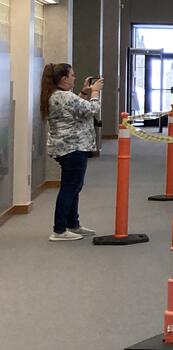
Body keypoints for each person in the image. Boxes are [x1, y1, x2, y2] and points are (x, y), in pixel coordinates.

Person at [40, 63, 102, 241]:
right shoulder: (64, 96)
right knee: (70, 188)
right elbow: (92, 110)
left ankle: (73, 224)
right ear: (64, 78)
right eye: (72, 75)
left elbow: (75, 108)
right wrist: (95, 92)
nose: (75, 77)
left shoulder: (58, 95)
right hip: (72, 148)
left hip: (66, 147)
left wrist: (84, 92)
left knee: (74, 186)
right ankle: (59, 230)